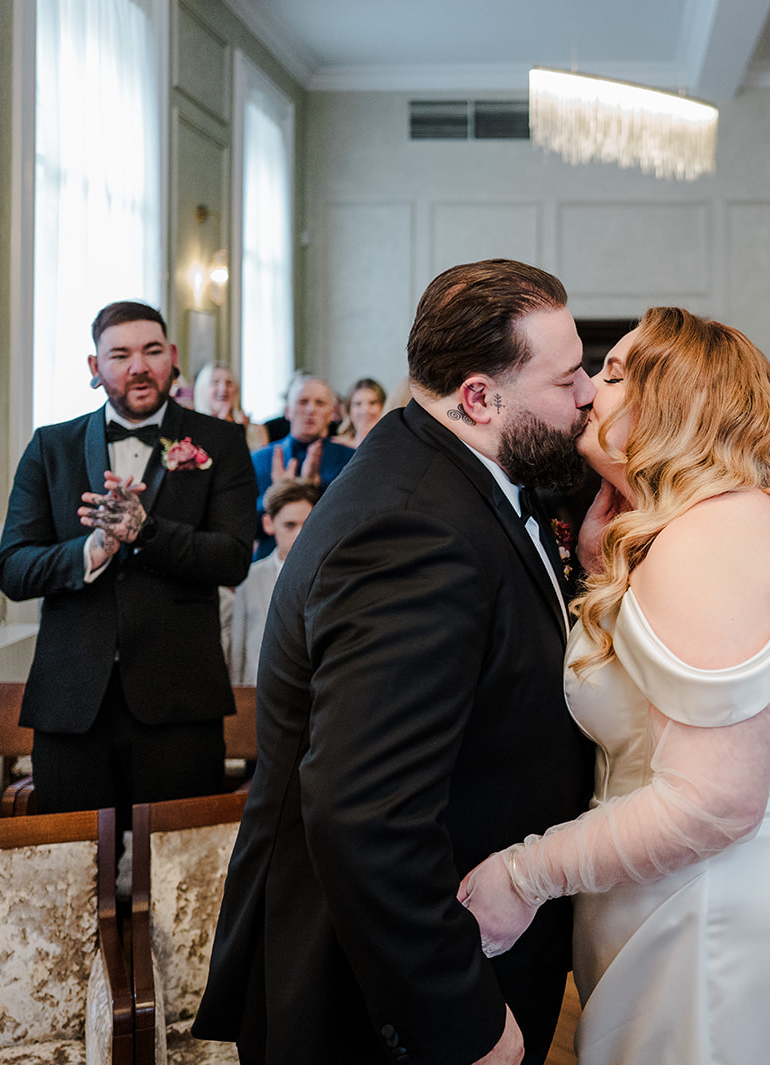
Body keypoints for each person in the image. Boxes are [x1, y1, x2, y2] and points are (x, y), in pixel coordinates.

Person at [455, 307, 770, 1065]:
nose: (583, 392)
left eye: (610, 376)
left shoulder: (706, 538)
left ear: (669, 406)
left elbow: (715, 799)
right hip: (703, 906)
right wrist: (603, 562)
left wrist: (525, 873)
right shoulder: (708, 528)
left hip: (724, 931)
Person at [194, 260, 598, 1065]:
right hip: (385, 996)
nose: (587, 392)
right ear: (479, 397)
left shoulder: (459, 470)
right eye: (569, 377)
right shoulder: (416, 531)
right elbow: (366, 812)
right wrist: (462, 1019)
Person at [0, 300, 257, 819]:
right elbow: (13, 569)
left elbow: (231, 559)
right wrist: (92, 550)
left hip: (180, 700)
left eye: (151, 350)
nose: (138, 365)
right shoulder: (52, 447)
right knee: (71, 873)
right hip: (71, 704)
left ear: (173, 357)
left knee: (179, 881)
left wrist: (146, 531)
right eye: (120, 354)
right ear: (96, 368)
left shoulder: (219, 441)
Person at [248, 376, 355, 559]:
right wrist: (277, 494)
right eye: (302, 401)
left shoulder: (351, 459)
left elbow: (353, 521)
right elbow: (246, 526)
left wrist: (317, 491)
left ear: (331, 413)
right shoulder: (261, 459)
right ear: (288, 411)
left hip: (330, 560)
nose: (310, 409)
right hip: (270, 564)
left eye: (320, 403)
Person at [227, 478, 319, 685]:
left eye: (308, 524)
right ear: (268, 524)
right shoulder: (250, 577)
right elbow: (239, 644)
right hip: (259, 688)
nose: (300, 534)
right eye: (290, 525)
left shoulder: (329, 577)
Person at [195, 361, 270, 450]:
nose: (223, 388)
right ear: (203, 389)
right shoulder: (194, 430)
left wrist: (241, 431)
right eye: (216, 382)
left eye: (229, 383)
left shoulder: (256, 430)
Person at [331, 377, 387, 448]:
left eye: (372, 403)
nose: (365, 410)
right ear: (349, 410)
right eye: (358, 404)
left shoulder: (393, 441)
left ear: (383, 406)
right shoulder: (338, 445)